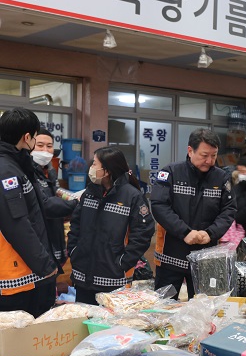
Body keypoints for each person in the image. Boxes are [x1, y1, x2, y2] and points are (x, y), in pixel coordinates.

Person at [151, 129, 236, 300]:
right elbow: (159, 206)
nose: (209, 161)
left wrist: (210, 233)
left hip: (206, 259)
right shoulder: (171, 173)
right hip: (171, 257)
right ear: (190, 151)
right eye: (204, 155)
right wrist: (184, 232)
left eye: (213, 156)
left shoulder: (221, 178)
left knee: (204, 308)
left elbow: (229, 210)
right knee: (163, 307)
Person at [67, 147, 155, 305]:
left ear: (106, 171)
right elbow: (76, 224)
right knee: (83, 317)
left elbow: (143, 233)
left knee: (107, 319)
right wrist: (73, 250)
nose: (91, 168)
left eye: (94, 164)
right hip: (83, 277)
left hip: (112, 279)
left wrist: (123, 263)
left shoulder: (132, 196)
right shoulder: (89, 193)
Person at [0, 108, 59, 316]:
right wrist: (45, 265)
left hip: (24, 268)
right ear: (27, 138)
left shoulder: (16, 164)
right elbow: (16, 224)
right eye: (35, 138)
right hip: (17, 274)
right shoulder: (7, 170)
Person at [32, 128, 78, 311]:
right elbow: (46, 204)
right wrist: (75, 204)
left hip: (55, 231)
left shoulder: (49, 171)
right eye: (40, 145)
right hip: (39, 237)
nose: (45, 150)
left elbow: (56, 192)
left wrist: (73, 198)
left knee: (51, 283)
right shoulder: (27, 172)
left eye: (49, 146)